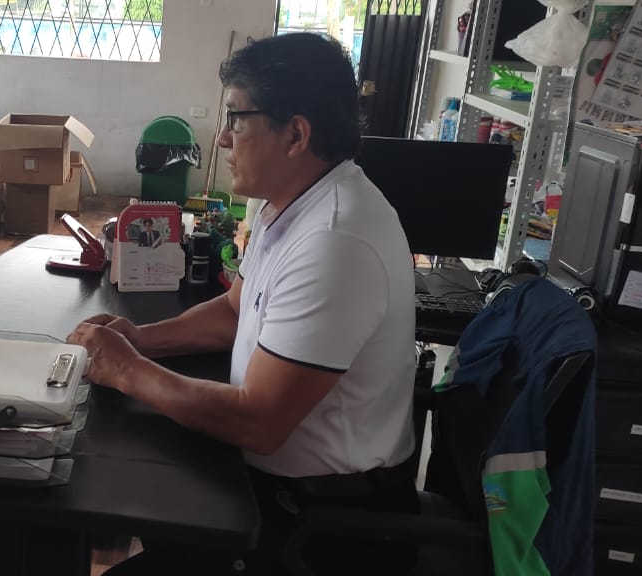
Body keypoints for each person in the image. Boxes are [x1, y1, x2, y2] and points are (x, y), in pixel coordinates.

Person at [67, 33, 417, 575]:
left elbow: (259, 422)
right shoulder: (291, 204)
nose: (222, 137)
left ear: (296, 134)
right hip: (267, 489)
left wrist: (127, 370)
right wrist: (139, 340)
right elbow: (235, 309)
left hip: (322, 529)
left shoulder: (336, 240)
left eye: (236, 117)